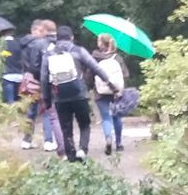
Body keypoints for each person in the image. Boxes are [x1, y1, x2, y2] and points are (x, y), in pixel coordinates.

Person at [37, 24, 121, 162]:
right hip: (79, 95)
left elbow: (44, 79)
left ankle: (70, 155)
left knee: (66, 127)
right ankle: (82, 149)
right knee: (84, 124)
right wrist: (111, 86)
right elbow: (96, 68)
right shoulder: (78, 51)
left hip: (60, 97)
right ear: (72, 37)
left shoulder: (48, 55)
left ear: (57, 38)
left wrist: (46, 100)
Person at [15, 19, 59, 151]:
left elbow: (30, 64)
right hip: (43, 80)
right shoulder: (42, 44)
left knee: (31, 111)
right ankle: (48, 140)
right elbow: (37, 66)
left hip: (30, 80)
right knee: (47, 110)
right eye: (40, 30)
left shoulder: (25, 43)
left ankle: (27, 140)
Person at [91, 35, 130, 157]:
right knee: (116, 117)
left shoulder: (95, 57)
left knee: (106, 117)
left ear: (102, 44)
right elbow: (125, 75)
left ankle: (108, 138)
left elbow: (89, 74)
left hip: (100, 92)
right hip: (116, 92)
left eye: (98, 40)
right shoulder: (117, 58)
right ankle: (118, 144)